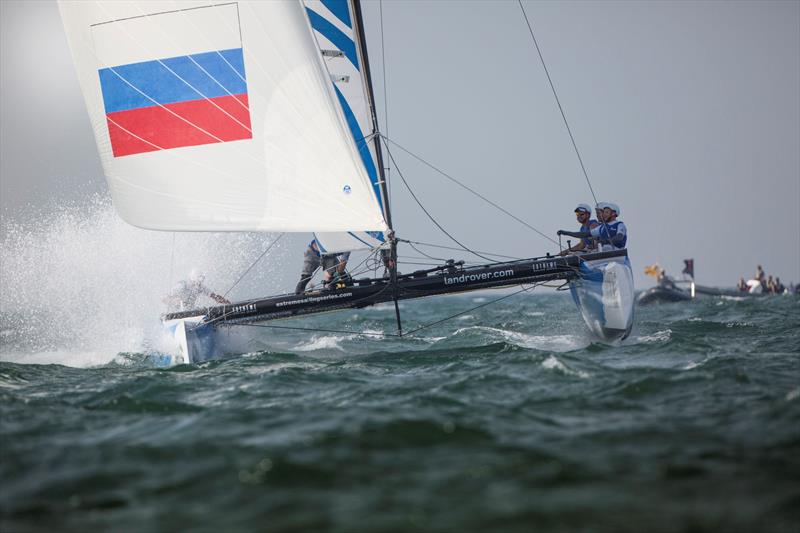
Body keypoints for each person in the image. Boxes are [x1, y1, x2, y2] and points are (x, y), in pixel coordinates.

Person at [558, 202, 627, 252]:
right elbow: (585, 234)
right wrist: (566, 233)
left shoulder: (619, 225)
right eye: (604, 212)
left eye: (606, 212)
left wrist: (604, 241)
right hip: (604, 252)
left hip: (616, 252)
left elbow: (619, 238)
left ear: (613, 214)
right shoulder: (602, 227)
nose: (604, 215)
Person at [164, 270, 231, 312]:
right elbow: (164, 298)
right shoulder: (182, 285)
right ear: (193, 278)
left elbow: (214, 296)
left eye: (202, 279)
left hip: (190, 311)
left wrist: (227, 303)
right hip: (176, 311)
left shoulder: (200, 286)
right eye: (199, 278)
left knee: (202, 310)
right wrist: (173, 300)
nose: (200, 282)